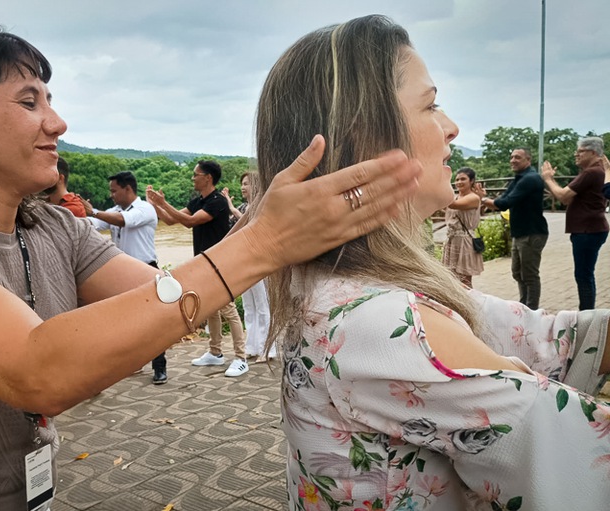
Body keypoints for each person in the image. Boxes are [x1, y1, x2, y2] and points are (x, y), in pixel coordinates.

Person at [0, 24, 421, 510]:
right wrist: (265, 241)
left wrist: (287, 224)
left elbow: (170, 295)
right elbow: (35, 372)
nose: (57, 123)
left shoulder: (50, 227)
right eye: (29, 101)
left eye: (50, 100)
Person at [257, 15, 610, 510]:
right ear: (365, 137)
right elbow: (579, 456)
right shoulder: (381, 322)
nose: (451, 127)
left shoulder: (336, 283)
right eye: (431, 105)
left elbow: (544, 334)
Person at [147, 161, 249, 377]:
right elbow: (170, 220)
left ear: (208, 177)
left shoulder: (218, 201)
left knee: (228, 309)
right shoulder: (198, 201)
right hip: (203, 262)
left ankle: (241, 358)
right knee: (211, 308)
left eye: (196, 174)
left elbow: (190, 221)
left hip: (220, 262)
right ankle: (215, 352)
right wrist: (156, 205)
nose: (193, 178)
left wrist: (164, 203)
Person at [87, 170, 169, 384]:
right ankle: (134, 361)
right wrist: (76, 211)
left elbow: (123, 221)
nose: (111, 195)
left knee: (153, 321)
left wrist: (93, 211)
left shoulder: (145, 209)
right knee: (126, 320)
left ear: (128, 189)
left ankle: (159, 367)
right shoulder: (114, 211)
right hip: (121, 271)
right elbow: (94, 224)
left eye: (114, 191)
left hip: (145, 268)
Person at [542, 137, 609, 310]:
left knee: (583, 275)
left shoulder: (591, 172)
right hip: (593, 228)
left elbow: (563, 196)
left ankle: (586, 315)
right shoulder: (599, 170)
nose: (576, 155)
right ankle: (587, 313)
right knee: (586, 274)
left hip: (587, 230)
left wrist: (548, 179)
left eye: (580, 151)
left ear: (593, 152)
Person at [480, 147, 548, 310]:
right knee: (517, 272)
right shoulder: (519, 178)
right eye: (511, 157)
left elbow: (504, 203)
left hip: (532, 233)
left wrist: (481, 199)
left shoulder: (530, 179)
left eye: (517, 157)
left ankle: (531, 311)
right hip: (520, 233)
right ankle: (524, 305)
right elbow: (503, 199)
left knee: (530, 275)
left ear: (528, 160)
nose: (513, 160)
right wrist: (487, 200)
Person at [224, 172, 275, 361]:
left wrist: (230, 207)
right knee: (249, 305)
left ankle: (267, 349)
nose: (243, 187)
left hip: (260, 260)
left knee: (262, 306)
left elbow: (251, 222)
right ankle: (252, 346)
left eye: (247, 184)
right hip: (243, 260)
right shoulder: (242, 207)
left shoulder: (263, 206)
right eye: (242, 184)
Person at [441, 167, 483, 287]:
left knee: (465, 280)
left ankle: (469, 299)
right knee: (452, 278)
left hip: (464, 241)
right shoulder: (455, 197)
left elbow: (453, 205)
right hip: (452, 240)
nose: (459, 182)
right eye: (457, 179)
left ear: (471, 181)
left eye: (463, 179)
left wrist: (437, 186)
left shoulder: (473, 198)